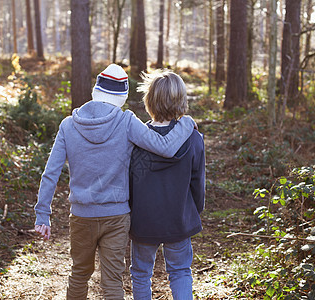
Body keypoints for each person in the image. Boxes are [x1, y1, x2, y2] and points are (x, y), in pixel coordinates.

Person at [33, 64, 196, 300]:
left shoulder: (68, 125)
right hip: (117, 217)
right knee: (112, 282)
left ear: (96, 91)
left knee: (79, 274)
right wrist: (186, 123)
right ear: (122, 96)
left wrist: (42, 214)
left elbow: (50, 172)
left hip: (81, 217)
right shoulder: (126, 121)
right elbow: (165, 147)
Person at [129, 70, 205, 299]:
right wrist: (194, 211)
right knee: (180, 271)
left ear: (149, 101)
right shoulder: (193, 139)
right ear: (181, 100)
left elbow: (130, 180)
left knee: (141, 273)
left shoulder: (137, 138)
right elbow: (197, 182)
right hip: (179, 219)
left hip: (144, 220)